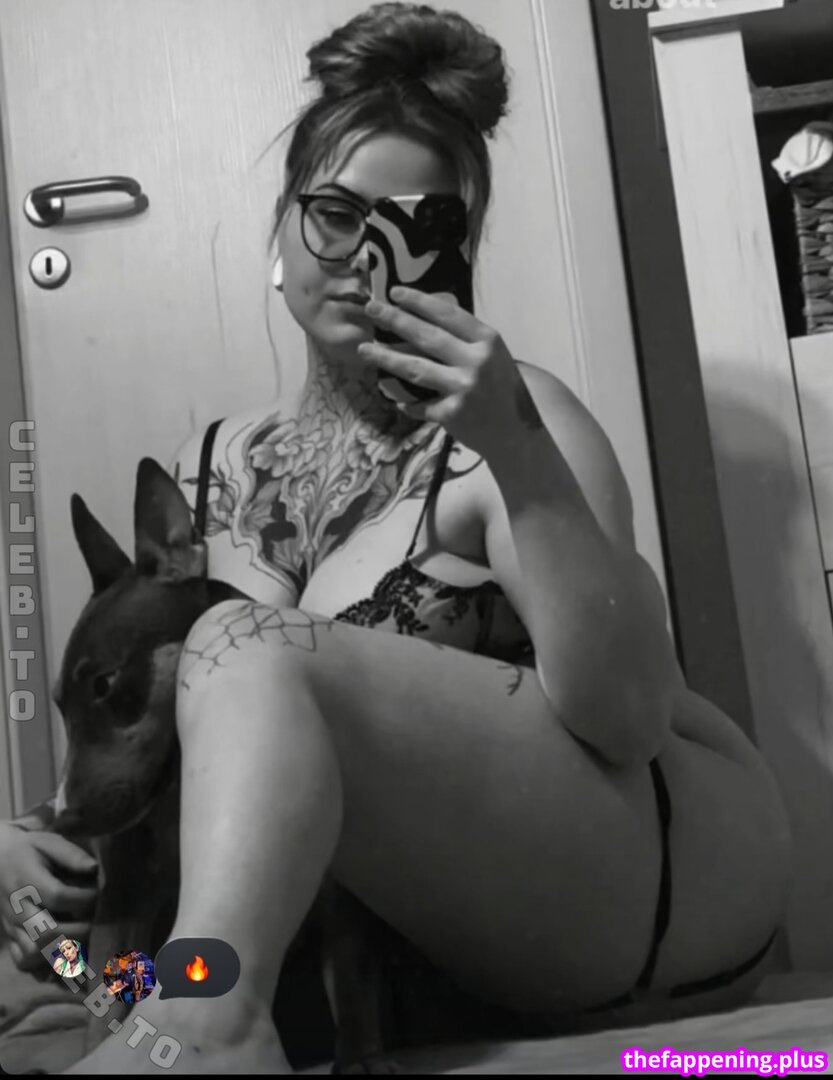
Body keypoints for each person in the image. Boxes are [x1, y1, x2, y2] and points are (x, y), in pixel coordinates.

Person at [0, 2, 790, 1074]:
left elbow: (627, 718)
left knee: (241, 644)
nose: (362, 259)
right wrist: (36, 841)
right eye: (333, 214)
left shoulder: (519, 420)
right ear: (281, 227)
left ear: (455, 250)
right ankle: (186, 1015)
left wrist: (511, 441)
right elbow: (165, 759)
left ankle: (209, 1030)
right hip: (413, 934)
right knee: (35, 941)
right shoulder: (209, 465)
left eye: (413, 224)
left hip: (642, 879)